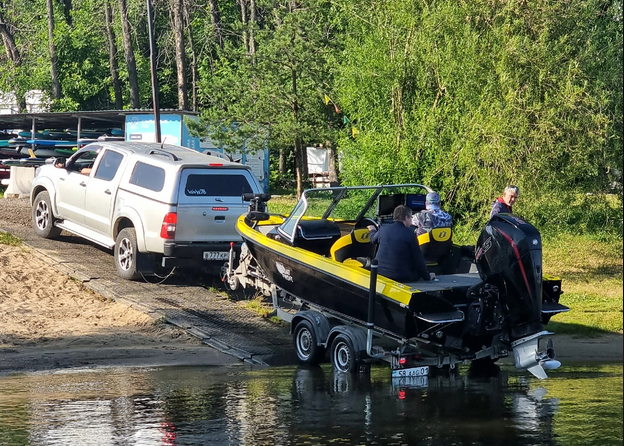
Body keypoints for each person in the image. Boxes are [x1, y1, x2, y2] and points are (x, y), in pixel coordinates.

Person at [368, 205, 433, 282]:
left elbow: (372, 239)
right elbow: (418, 260)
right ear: (406, 218)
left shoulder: (383, 229)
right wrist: (427, 276)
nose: (411, 221)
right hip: (401, 277)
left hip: (380, 274)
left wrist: (372, 230)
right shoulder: (410, 234)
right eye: (411, 218)